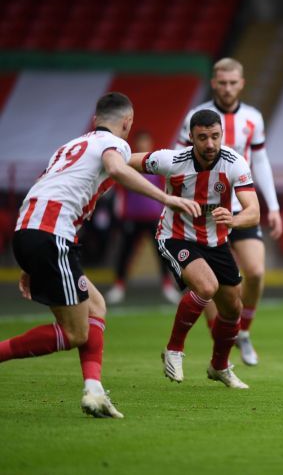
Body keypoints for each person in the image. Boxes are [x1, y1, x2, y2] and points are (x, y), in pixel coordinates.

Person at [0, 92, 200, 418]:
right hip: (49, 237)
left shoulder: (68, 148)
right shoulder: (115, 146)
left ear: (95, 120)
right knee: (75, 333)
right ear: (127, 123)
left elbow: (51, 193)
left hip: (33, 231)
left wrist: (31, 259)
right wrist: (169, 200)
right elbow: (116, 169)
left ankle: (94, 391)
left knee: (97, 306)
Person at [132, 109, 259, 389]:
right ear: (191, 137)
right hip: (176, 237)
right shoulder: (171, 160)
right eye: (203, 137)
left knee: (232, 308)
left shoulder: (234, 163)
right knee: (206, 286)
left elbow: (254, 212)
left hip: (216, 242)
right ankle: (174, 350)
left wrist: (234, 219)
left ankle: (220, 366)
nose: (210, 144)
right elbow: (123, 162)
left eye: (215, 136)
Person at [177, 58, 282, 366]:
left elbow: (260, 161)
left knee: (256, 272)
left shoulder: (253, 118)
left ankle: (243, 332)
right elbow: (181, 159)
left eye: (232, 83)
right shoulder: (195, 118)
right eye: (222, 83)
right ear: (214, 83)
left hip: (240, 208)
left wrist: (272, 205)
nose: (227, 88)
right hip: (205, 210)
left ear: (242, 83)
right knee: (209, 284)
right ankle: (220, 338)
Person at [106, 131, 182, 305]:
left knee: (162, 253)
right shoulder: (127, 165)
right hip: (132, 218)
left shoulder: (158, 166)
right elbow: (119, 192)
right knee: (126, 253)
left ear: (150, 144)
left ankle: (167, 286)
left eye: (146, 142)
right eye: (140, 142)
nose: (143, 145)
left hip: (154, 218)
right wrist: (120, 216)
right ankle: (119, 286)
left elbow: (166, 190)